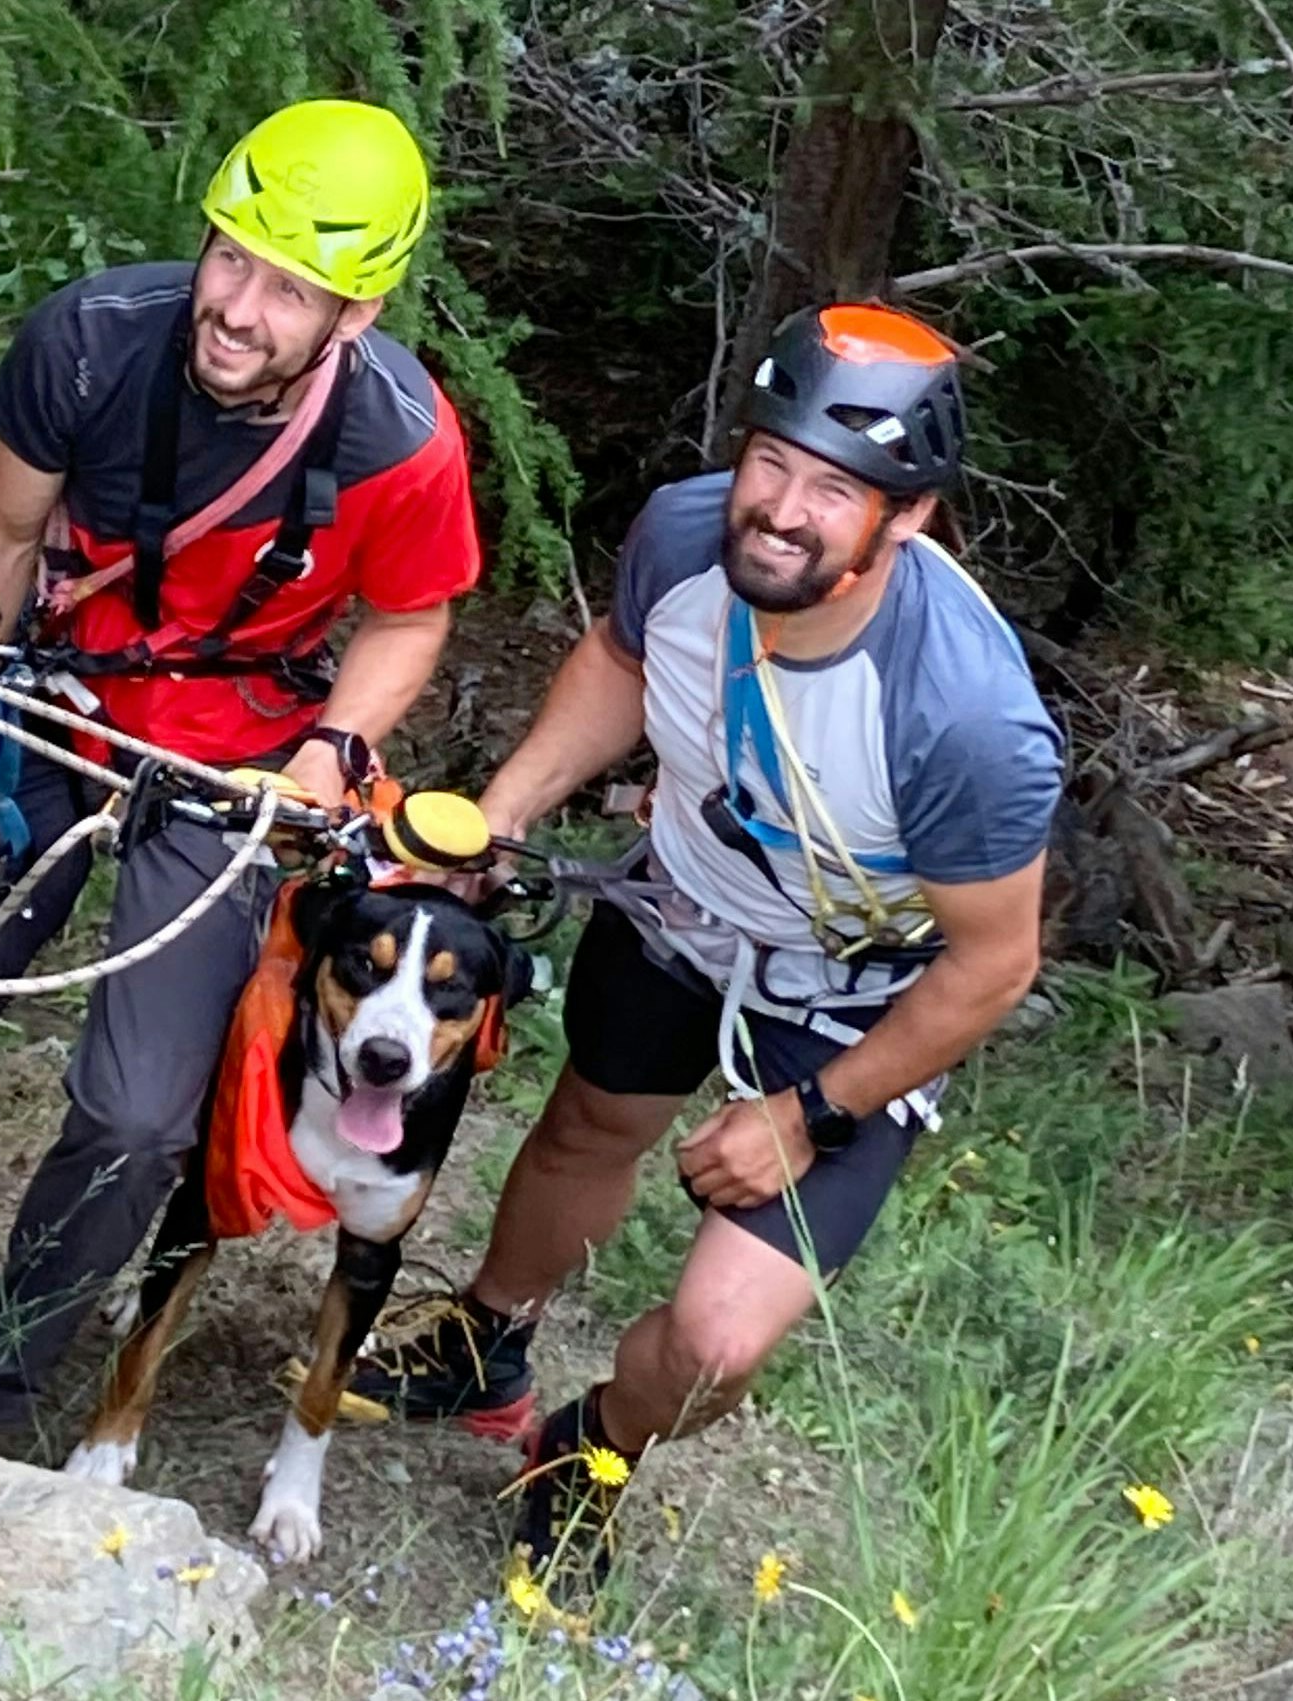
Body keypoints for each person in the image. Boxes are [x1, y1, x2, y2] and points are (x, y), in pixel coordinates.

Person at [0, 98, 484, 1436]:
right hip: (53, 692)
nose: (238, 309)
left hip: (235, 751)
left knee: (142, 1118)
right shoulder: (93, 341)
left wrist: (330, 755)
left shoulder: (400, 441)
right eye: (231, 259)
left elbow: (411, 616)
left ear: (357, 312)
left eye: (288, 289)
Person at [346, 303, 1064, 1589]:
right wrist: (504, 813)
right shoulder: (687, 533)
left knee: (717, 1344)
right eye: (771, 461)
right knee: (587, 1126)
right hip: (685, 898)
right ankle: (484, 1341)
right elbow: (623, 660)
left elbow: (994, 965)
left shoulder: (963, 721)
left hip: (859, 989)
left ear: (909, 516)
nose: (780, 509)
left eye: (835, 490)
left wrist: (813, 1112)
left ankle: (594, 1445)